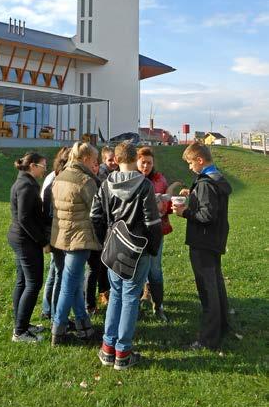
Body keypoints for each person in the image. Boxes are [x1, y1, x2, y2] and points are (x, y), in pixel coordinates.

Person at [91, 141, 162, 369]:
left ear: (118, 159)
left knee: (116, 294)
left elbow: (95, 216)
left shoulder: (105, 183)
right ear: (134, 158)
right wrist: (152, 249)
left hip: (114, 245)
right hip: (137, 248)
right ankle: (123, 352)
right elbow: (153, 222)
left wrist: (105, 240)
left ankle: (107, 348)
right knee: (131, 297)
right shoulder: (144, 185)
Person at [172, 143, 232, 351]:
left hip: (203, 241)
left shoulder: (205, 184)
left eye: (190, 163)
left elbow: (206, 216)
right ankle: (223, 326)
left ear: (200, 160)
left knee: (207, 290)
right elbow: (210, 200)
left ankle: (208, 339)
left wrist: (184, 212)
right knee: (216, 284)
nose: (189, 167)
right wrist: (194, 193)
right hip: (215, 240)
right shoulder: (215, 177)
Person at [50, 142, 101, 346]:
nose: (96, 164)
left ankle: (84, 325)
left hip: (61, 236)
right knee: (69, 286)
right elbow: (97, 212)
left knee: (72, 282)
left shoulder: (59, 177)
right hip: (79, 239)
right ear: (85, 159)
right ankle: (58, 329)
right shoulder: (85, 180)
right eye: (95, 160)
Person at [7, 152, 51, 342]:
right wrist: (42, 241)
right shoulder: (26, 185)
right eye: (43, 166)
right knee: (33, 283)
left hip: (21, 238)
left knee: (23, 281)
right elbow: (24, 218)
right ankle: (20, 332)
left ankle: (22, 323)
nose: (44, 170)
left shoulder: (24, 182)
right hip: (26, 240)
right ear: (32, 166)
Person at [136, 146, 173, 322]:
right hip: (136, 232)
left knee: (155, 269)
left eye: (149, 163)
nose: (146, 166)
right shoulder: (132, 179)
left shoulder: (159, 179)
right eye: (143, 162)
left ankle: (158, 306)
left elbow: (166, 206)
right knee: (137, 270)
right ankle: (137, 305)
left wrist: (161, 204)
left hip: (156, 230)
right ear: (137, 162)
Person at [40, 147, 71, 320]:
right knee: (60, 273)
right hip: (57, 232)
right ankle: (55, 315)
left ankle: (48, 309)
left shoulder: (52, 177)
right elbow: (49, 211)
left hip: (53, 232)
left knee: (54, 271)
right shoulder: (56, 180)